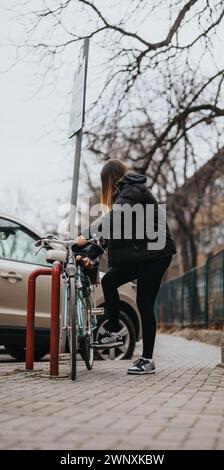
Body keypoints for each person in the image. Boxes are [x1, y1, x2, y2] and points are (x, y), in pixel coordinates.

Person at [75, 159, 176, 375]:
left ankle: (147, 360)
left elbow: (114, 220)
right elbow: (113, 232)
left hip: (156, 255)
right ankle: (113, 331)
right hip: (143, 255)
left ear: (109, 180)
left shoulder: (131, 191)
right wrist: (91, 255)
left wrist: (86, 234)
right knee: (109, 280)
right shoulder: (126, 194)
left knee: (144, 304)